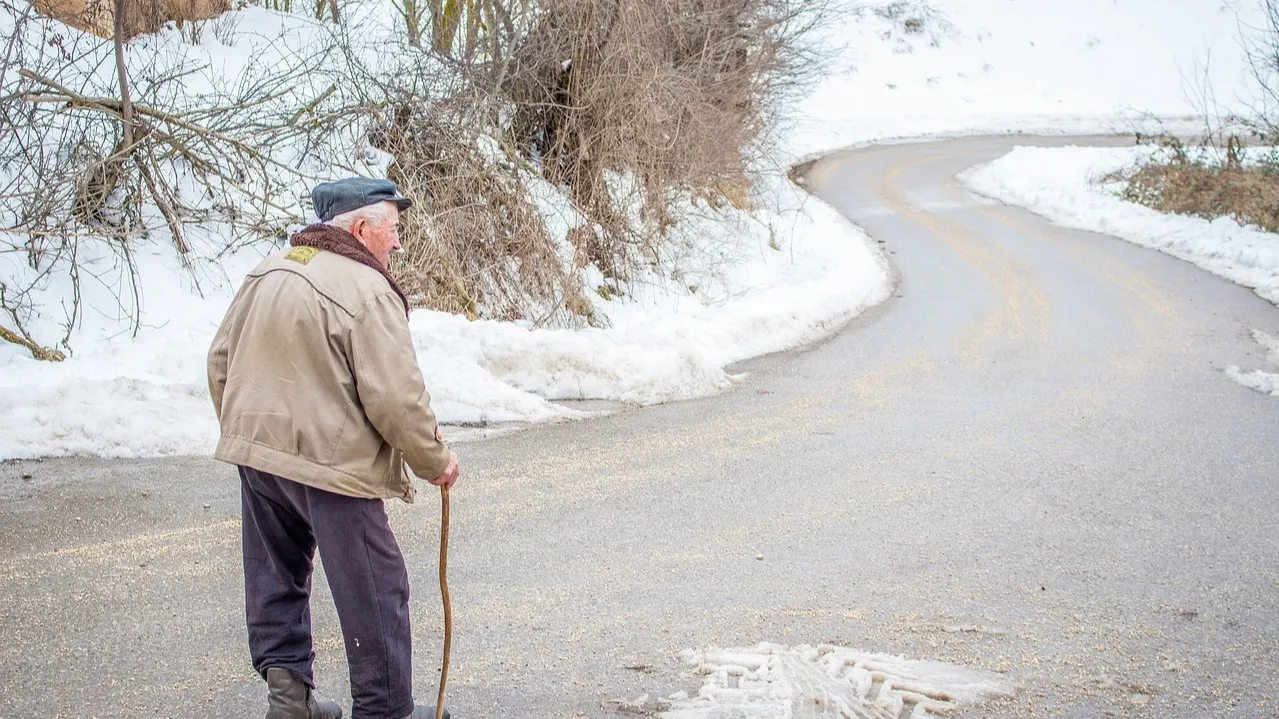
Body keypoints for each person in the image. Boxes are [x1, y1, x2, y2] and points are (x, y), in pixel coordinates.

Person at [207, 177, 459, 719]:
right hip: (331, 467)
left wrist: (250, 432)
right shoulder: (367, 290)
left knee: (276, 575)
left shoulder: (268, 270)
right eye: (392, 230)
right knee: (376, 593)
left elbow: (220, 361)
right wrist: (435, 461)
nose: (397, 244)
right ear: (362, 227)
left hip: (258, 456)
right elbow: (396, 399)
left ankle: (288, 701)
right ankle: (383, 711)